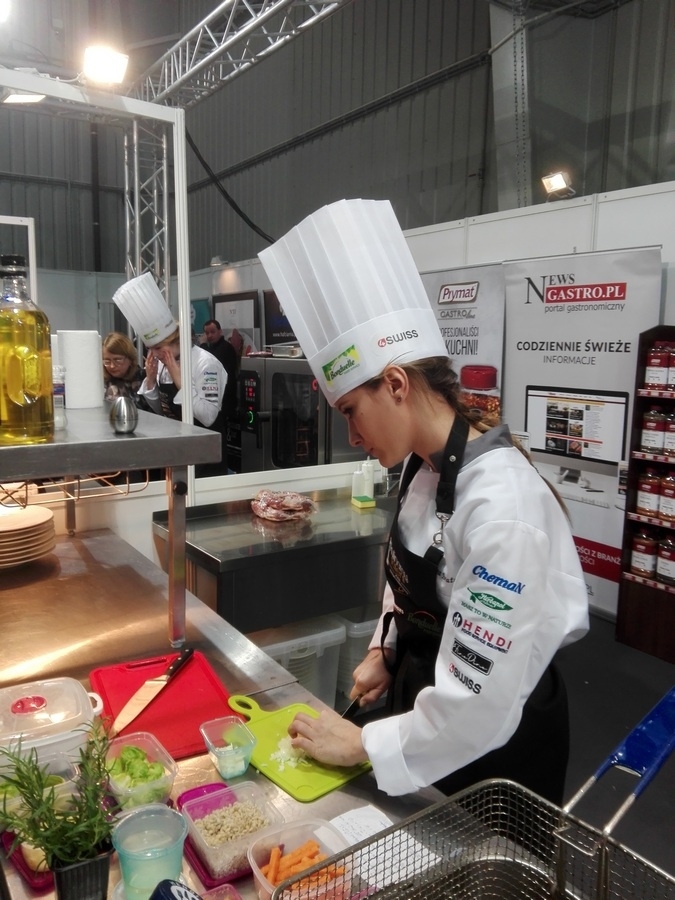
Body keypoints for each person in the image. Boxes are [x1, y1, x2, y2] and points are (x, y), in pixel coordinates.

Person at [259, 199, 589, 805]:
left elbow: (479, 704)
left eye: (351, 412)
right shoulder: (421, 467)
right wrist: (386, 650)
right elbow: (408, 586)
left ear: (395, 384)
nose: (352, 437)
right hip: (424, 706)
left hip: (496, 750)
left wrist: (361, 744)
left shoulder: (504, 509)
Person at [137, 327, 229, 477]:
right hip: (175, 445)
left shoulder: (206, 363)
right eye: (150, 349)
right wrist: (151, 381)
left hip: (205, 449)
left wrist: (181, 383)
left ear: (178, 342)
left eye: (158, 348)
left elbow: (208, 417)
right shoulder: (161, 362)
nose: (154, 354)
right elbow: (162, 410)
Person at [202, 318, 239, 421]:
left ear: (220, 331)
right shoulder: (213, 347)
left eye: (213, 332)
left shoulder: (226, 348)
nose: (210, 335)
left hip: (226, 398)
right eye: (207, 333)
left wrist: (203, 345)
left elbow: (210, 363)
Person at [102, 332, 148, 408]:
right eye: (107, 361)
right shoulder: (100, 382)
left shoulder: (144, 379)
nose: (112, 366)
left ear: (130, 359)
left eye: (117, 360)